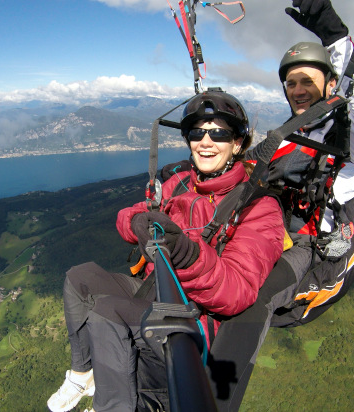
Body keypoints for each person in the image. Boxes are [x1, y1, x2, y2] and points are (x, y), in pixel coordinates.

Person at [47, 89, 286, 412]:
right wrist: (137, 223)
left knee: (107, 311)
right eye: (197, 133)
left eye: (218, 133)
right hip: (154, 286)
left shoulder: (259, 207)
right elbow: (131, 214)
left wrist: (189, 254)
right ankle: (83, 374)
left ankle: (114, 406)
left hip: (192, 312)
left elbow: (237, 290)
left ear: (237, 143)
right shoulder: (181, 182)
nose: (205, 142)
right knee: (80, 278)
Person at [205, 0, 354, 410]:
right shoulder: (286, 136)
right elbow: (247, 171)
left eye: (307, 80)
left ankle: (212, 402)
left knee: (253, 299)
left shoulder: (347, 140)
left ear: (331, 84)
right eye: (290, 83)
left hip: (309, 248)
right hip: (271, 231)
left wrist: (333, 34)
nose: (298, 90)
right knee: (202, 272)